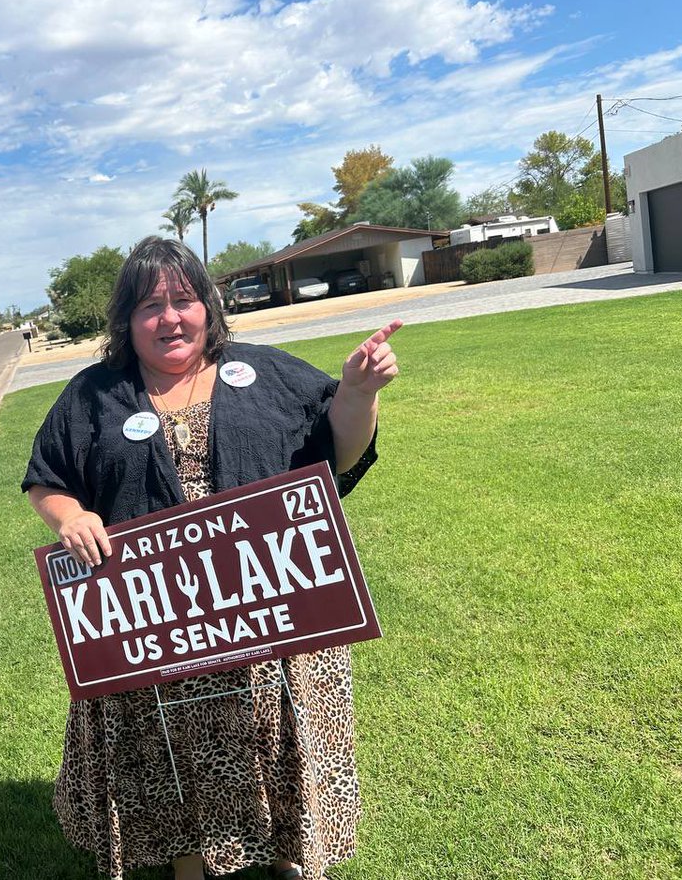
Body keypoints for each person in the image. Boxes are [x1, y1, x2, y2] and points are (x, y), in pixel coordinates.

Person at [23, 237, 401, 880]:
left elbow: (336, 453)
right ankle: (189, 862)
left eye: (183, 300)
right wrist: (72, 516)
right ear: (127, 320)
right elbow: (47, 478)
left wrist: (359, 395)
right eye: (150, 305)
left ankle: (287, 853)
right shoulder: (93, 395)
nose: (170, 317)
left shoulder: (266, 371)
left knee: (276, 733)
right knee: (175, 746)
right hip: (157, 619)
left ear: (208, 307)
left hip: (270, 608)